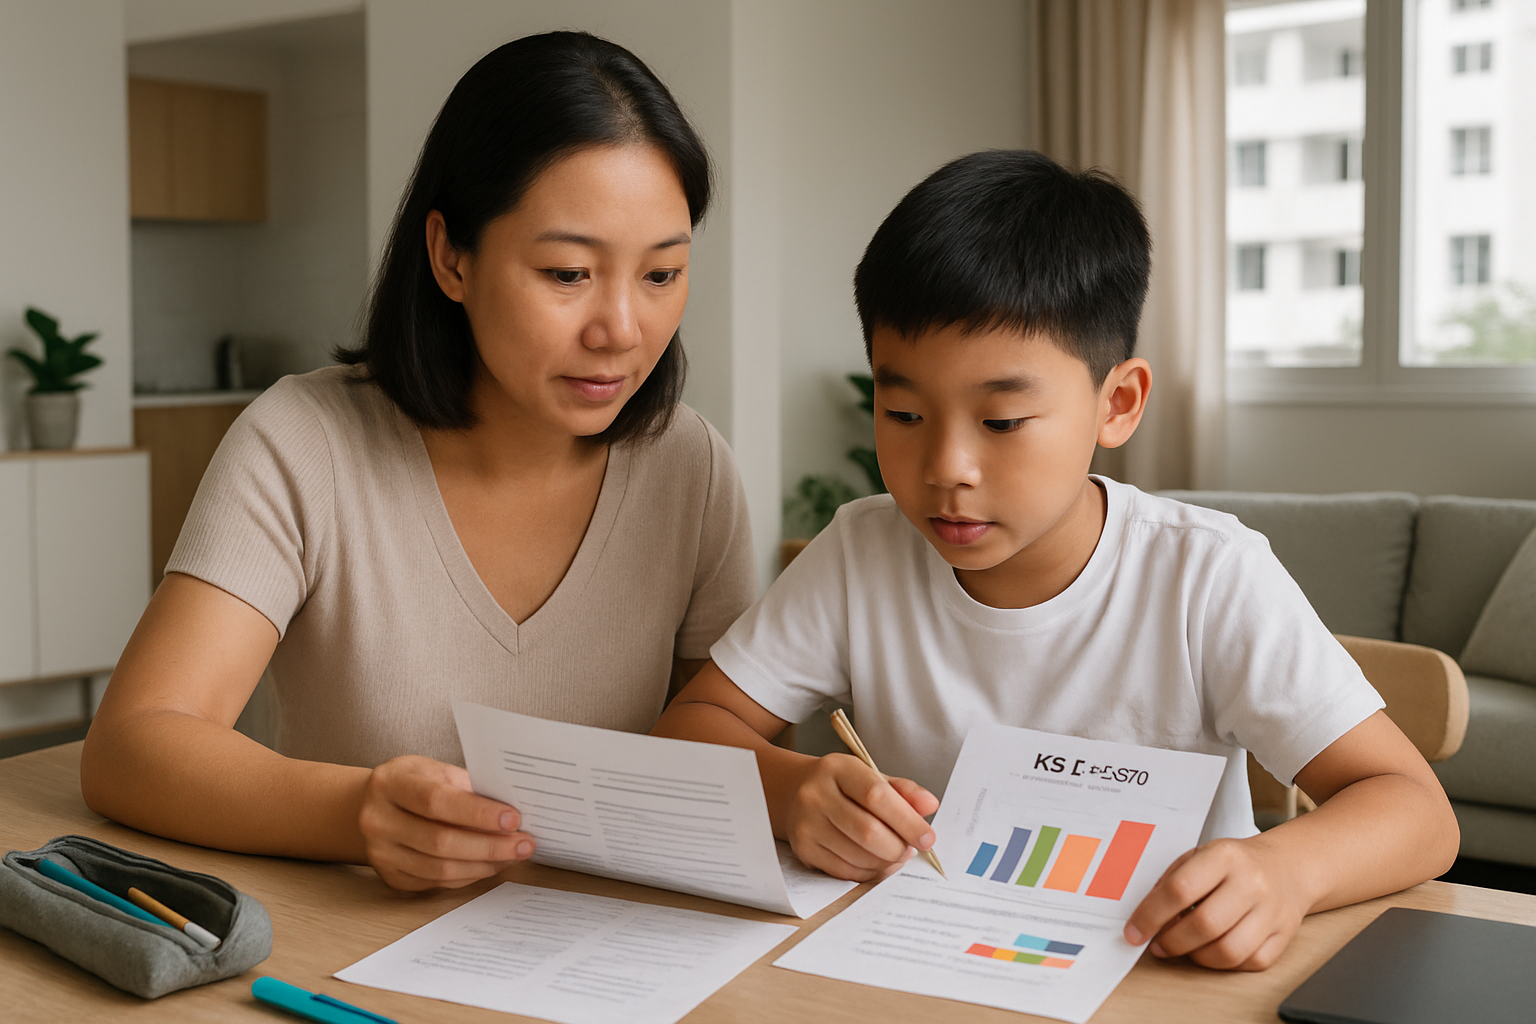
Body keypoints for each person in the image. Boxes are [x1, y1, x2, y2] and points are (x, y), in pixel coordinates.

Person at [652, 149, 1458, 971]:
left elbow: (1418, 812)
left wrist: (1288, 870)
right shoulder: (862, 553)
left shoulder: (1206, 576)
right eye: (901, 412)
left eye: (1001, 424)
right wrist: (791, 792)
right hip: (927, 965)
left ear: (1117, 404)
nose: (946, 467)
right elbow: (692, 726)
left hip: (1158, 973)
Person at [81, 32, 755, 892]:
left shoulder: (689, 469)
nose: (621, 330)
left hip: (609, 961)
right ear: (451, 257)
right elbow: (133, 743)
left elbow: (721, 754)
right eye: (567, 272)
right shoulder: (305, 442)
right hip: (349, 955)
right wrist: (356, 814)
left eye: (661, 275)